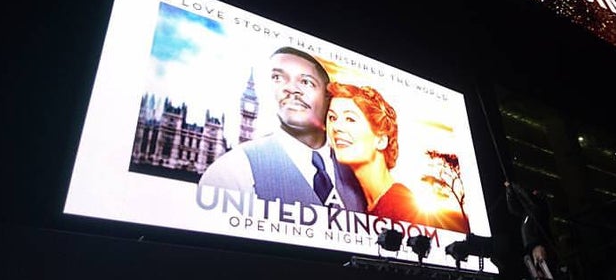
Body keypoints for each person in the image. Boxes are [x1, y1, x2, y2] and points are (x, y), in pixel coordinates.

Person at [197, 47, 366, 210]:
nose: (290, 89)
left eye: (306, 82)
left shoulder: (358, 172)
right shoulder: (232, 170)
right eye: (278, 78)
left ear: (328, 97)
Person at [326, 81, 469, 232]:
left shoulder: (403, 207)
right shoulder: (358, 200)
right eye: (332, 118)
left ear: (381, 140)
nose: (336, 127)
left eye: (350, 119)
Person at [506, 180, 555, 279]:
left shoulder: (539, 209)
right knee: (535, 269)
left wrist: (514, 186)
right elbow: (513, 208)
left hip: (539, 244)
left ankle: (546, 274)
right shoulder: (526, 214)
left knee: (542, 263)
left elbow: (528, 197)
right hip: (530, 248)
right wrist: (509, 191)